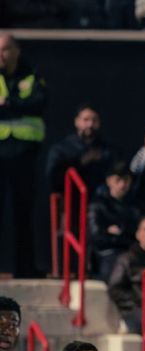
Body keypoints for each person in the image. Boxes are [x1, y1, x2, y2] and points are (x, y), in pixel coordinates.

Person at [0, 33, 46, 278]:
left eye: (6, 49)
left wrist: (8, 104)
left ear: (16, 51)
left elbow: (39, 103)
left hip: (24, 155)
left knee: (24, 214)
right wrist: (17, 105)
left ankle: (25, 268)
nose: (1, 55)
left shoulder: (32, 74)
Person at [106, 216, 145, 326]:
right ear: (138, 234)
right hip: (135, 309)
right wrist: (140, 299)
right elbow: (115, 289)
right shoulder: (126, 259)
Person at [45, 104, 114, 195]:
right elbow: (53, 179)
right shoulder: (61, 149)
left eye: (94, 120)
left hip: (100, 202)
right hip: (72, 202)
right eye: (86, 120)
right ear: (77, 121)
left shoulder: (107, 150)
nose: (90, 124)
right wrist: (81, 161)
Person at [89, 164, 140, 276]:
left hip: (128, 254)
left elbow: (138, 237)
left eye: (126, 180)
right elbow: (97, 237)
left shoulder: (134, 207)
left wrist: (117, 233)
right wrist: (124, 236)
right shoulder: (97, 205)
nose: (122, 184)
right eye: (118, 179)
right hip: (105, 256)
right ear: (109, 181)